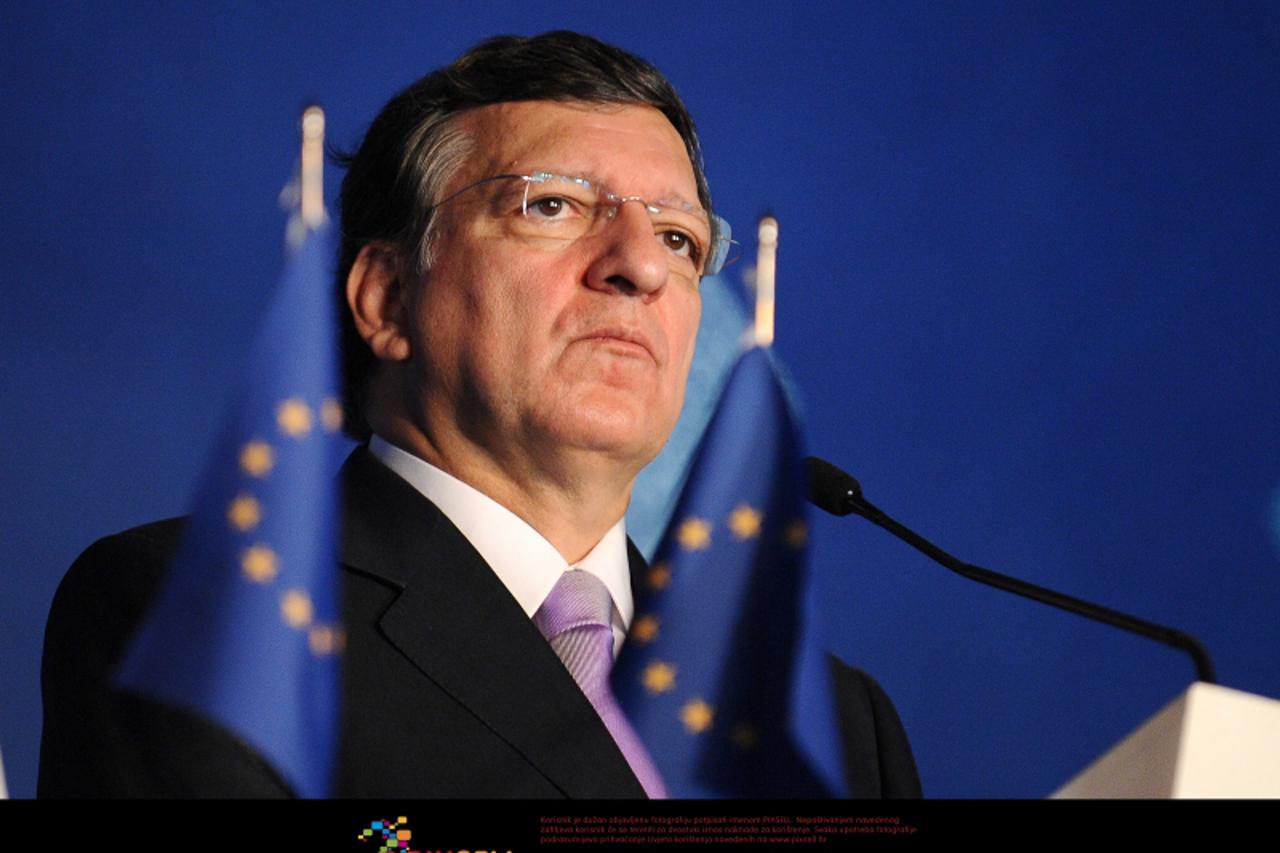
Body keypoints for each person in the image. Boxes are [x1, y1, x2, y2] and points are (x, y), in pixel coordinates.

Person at [39, 31, 920, 798]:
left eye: (679, 238)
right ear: (386, 298)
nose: (640, 267)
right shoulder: (211, 613)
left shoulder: (834, 724)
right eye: (553, 205)